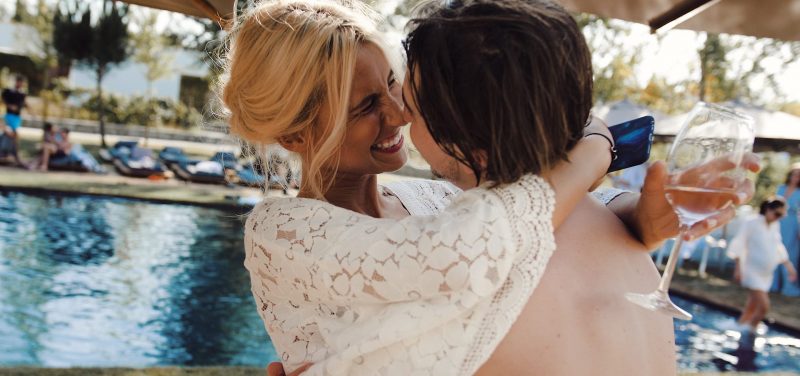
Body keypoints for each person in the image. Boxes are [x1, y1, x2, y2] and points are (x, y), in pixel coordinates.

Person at [220, 1, 757, 374]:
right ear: (295, 132)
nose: (400, 113)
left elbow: (524, 218)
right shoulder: (280, 233)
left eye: (392, 85)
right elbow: (475, 244)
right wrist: (596, 151)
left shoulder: (445, 203)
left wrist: (641, 214)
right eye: (365, 107)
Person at [728, 197, 797, 334]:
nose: (779, 218)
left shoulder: (774, 225)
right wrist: (738, 268)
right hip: (751, 270)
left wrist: (788, 266)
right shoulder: (752, 223)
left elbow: (777, 246)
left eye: (782, 216)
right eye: (777, 214)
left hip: (765, 274)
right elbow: (739, 243)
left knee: (752, 305)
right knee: (764, 306)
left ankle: (740, 326)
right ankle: (751, 330)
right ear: (767, 209)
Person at [771, 164, 800, 296]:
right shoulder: (781, 188)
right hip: (778, 222)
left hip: (793, 224)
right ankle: (773, 284)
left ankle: (789, 287)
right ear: (790, 175)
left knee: (790, 254)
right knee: (774, 252)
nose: (796, 177)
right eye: (795, 174)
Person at [1, 75, 27, 167]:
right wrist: (9, 105)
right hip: (9, 115)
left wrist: (17, 107)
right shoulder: (8, 91)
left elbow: (22, 104)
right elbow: (4, 99)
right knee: (8, 132)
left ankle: (14, 154)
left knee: (14, 134)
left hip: (16, 117)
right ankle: (10, 153)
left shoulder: (22, 94)